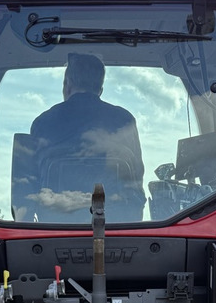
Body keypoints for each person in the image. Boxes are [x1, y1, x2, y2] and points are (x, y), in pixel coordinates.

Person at [25, 53, 146, 220]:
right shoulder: (125, 121)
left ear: (67, 84)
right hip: (119, 227)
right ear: (100, 90)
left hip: (55, 229)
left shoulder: (42, 123)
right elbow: (136, 179)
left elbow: (29, 184)